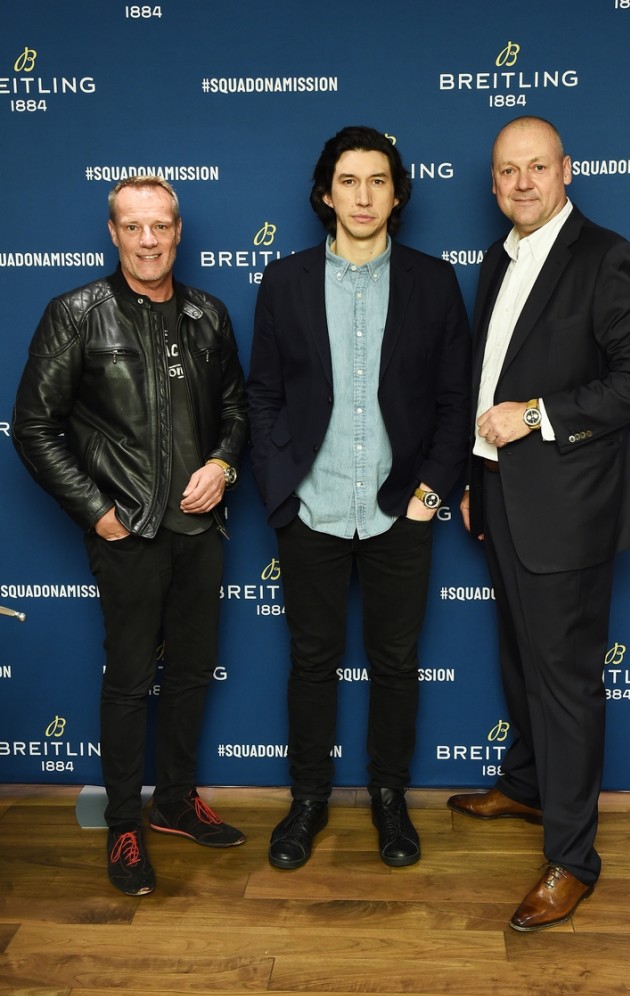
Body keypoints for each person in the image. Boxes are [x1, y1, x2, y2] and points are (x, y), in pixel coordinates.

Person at [448, 116, 630, 930]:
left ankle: (572, 859)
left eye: (536, 168)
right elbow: (486, 378)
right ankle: (526, 785)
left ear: (565, 171)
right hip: (501, 497)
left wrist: (537, 415)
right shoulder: (496, 258)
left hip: (569, 513)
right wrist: (476, 473)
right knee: (518, 657)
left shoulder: (606, 257)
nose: (522, 183)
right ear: (494, 182)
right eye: (507, 171)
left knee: (566, 685)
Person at [13, 175, 249, 896]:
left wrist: (222, 464)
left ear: (179, 231)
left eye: (162, 226)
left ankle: (174, 800)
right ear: (113, 233)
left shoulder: (209, 314)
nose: (149, 240)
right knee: (127, 682)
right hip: (128, 535)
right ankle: (123, 823)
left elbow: (238, 409)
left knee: (189, 672)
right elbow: (33, 427)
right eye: (134, 227)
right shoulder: (76, 313)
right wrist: (96, 510)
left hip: (200, 531)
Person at [248, 125, 471, 870]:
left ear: (397, 192)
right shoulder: (282, 282)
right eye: (349, 180)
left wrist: (429, 494)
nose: (363, 195)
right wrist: (281, 485)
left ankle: (387, 799)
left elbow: (452, 401)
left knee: (395, 665)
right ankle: (306, 800)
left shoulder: (432, 282)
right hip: (310, 509)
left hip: (397, 509)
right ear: (324, 193)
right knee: (310, 662)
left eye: (378, 180)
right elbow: (264, 396)